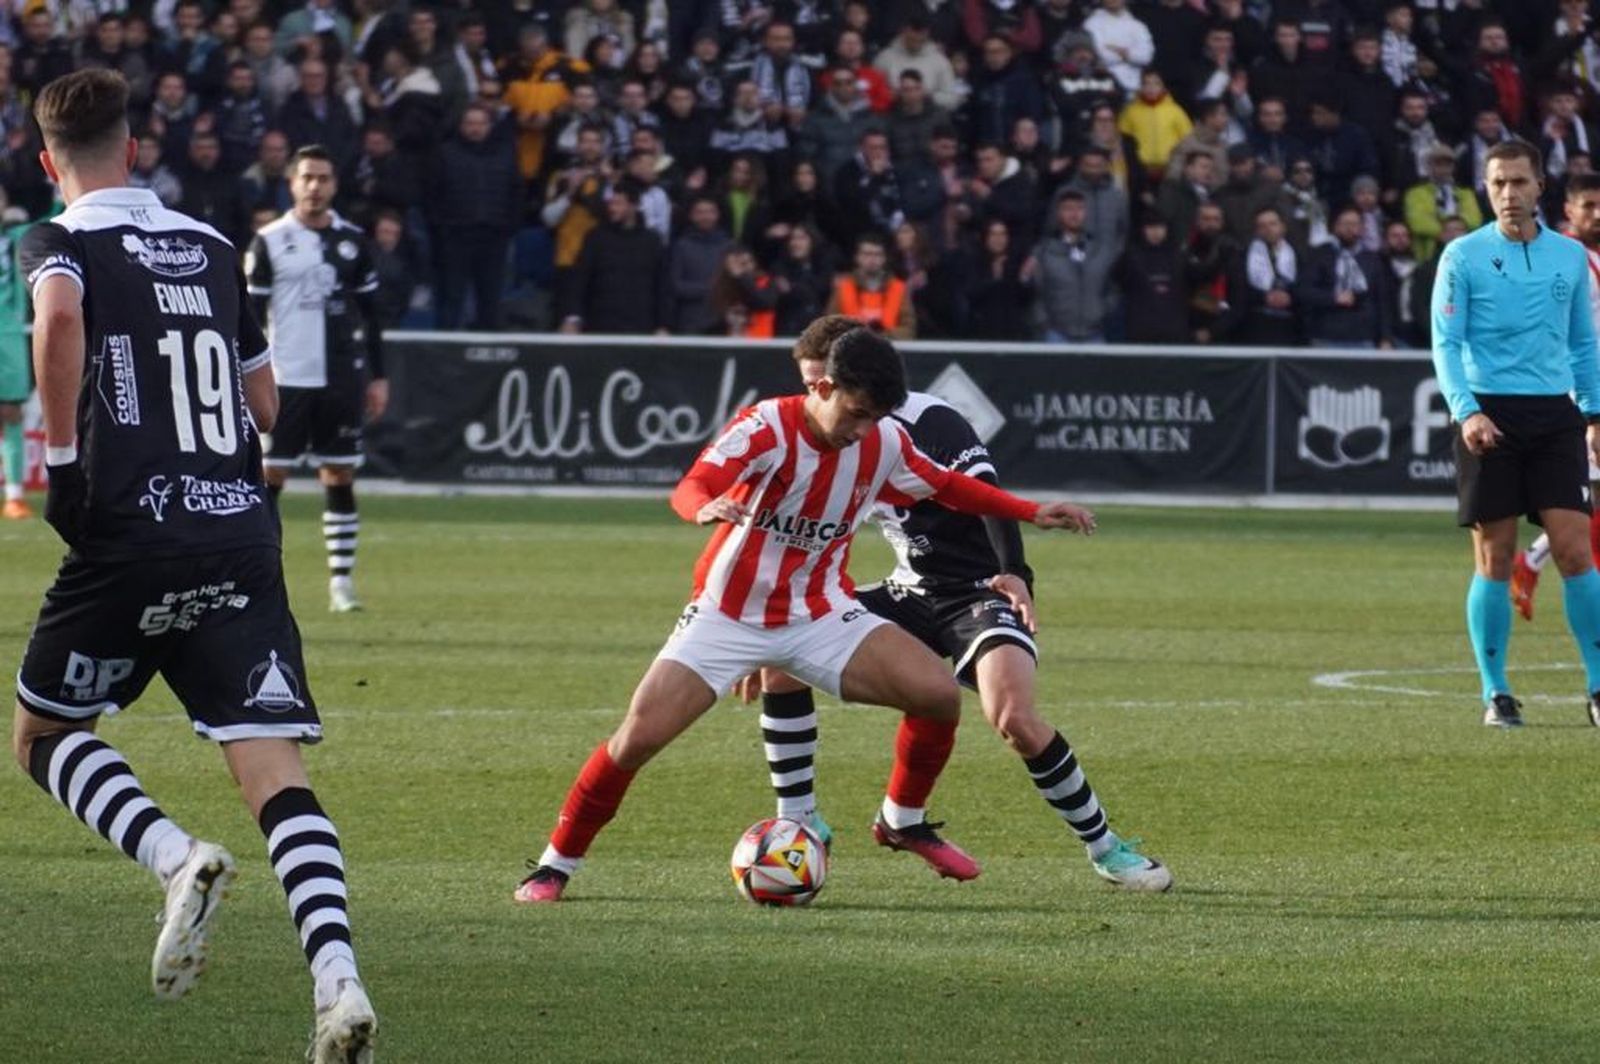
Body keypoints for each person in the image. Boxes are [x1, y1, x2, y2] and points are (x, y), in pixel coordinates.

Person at [13, 69, 375, 1061]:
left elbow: (58, 320)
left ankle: (177, 856)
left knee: (43, 733)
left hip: (131, 533)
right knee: (273, 773)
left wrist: (63, 461)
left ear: (51, 165)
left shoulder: (58, 239)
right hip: (239, 533)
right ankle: (339, 982)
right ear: (135, 149)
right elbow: (263, 407)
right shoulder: (215, 245)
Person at [514, 326, 1095, 903]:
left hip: (820, 613)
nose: (863, 430)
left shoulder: (882, 441)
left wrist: (1031, 511)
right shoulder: (766, 426)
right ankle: (554, 865)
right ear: (823, 387)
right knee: (636, 740)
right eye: (856, 413)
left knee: (938, 695)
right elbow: (694, 483)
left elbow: (949, 486)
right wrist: (703, 507)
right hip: (728, 619)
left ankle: (902, 820)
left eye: (875, 417)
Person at [744, 315, 1168, 889]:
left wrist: (1014, 573)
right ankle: (801, 823)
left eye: (821, 380)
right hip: (908, 589)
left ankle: (1106, 848)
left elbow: (985, 494)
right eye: (806, 383)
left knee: (1013, 717)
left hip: (977, 593)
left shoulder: (929, 420)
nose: (812, 395)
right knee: (779, 662)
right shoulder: (827, 437)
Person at [1430, 142, 1600, 728]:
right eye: (1498, 183)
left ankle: (1599, 687)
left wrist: (1595, 414)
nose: (1508, 194)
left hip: (1555, 414)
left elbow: (1582, 341)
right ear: (1486, 187)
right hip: (1487, 415)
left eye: (1518, 182)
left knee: (1577, 548)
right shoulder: (1462, 256)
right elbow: (1446, 344)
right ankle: (1496, 691)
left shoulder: (1569, 257)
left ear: (1539, 187)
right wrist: (1467, 411)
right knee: (1495, 556)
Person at [248, 146, 388, 614]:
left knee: (340, 474)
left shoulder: (353, 241)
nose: (315, 186)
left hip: (341, 378)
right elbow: (249, 316)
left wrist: (379, 376)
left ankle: (341, 583)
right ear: (292, 183)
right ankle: (258, 578)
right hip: (285, 378)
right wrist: (249, 373)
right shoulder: (269, 240)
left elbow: (372, 316)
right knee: (270, 477)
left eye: (323, 178)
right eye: (307, 177)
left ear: (335, 185)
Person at [1511, 174, 1600, 621]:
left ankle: (1531, 561)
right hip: (1577, 397)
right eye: (1588, 205)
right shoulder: (1563, 260)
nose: (1597, 215)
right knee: (1584, 504)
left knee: (1591, 503)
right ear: (1569, 210)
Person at [827, 232, 914, 338]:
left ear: (884, 258)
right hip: (851, 350)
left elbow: (909, 329)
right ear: (857, 257)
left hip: (888, 350)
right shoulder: (842, 287)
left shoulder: (898, 288)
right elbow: (829, 326)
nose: (872, 259)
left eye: (877, 254)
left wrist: (881, 336)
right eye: (867, 254)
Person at [0, 204, 29, 518]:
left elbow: (57, 218)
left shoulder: (16, 237)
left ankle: (15, 495)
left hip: (6, 333)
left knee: (10, 412)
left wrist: (56, 198)